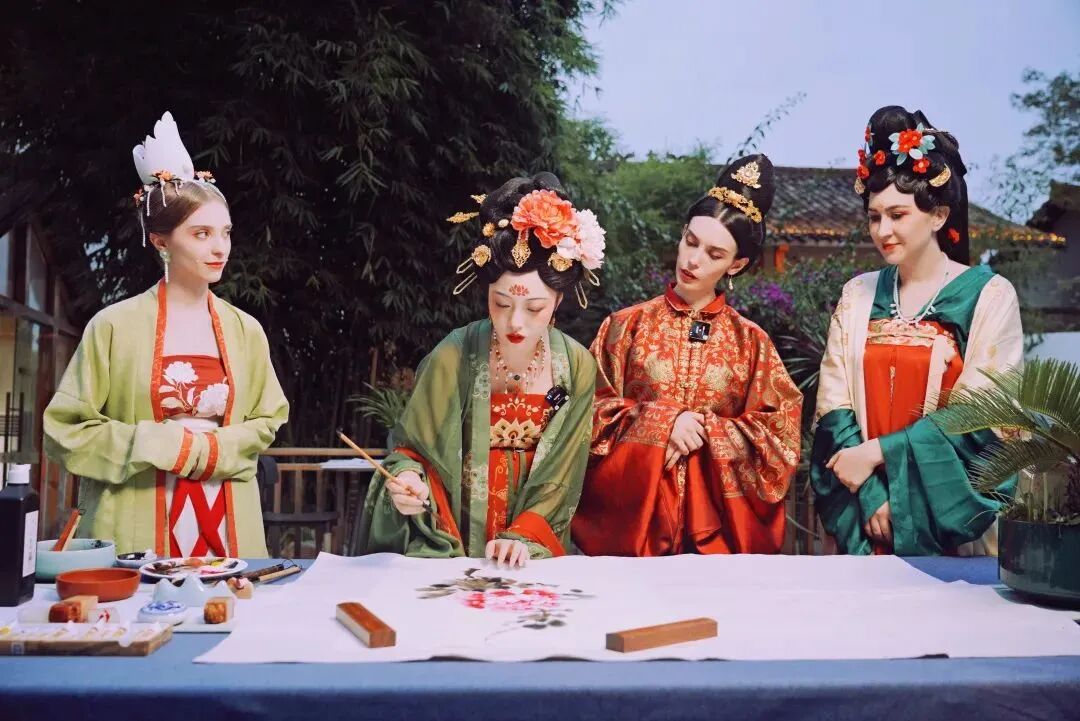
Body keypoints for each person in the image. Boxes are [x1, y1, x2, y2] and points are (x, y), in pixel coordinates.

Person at [44, 112, 289, 557]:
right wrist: (160, 443)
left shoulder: (245, 330)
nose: (220, 247)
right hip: (136, 510)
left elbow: (268, 419)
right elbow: (66, 431)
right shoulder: (113, 326)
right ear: (161, 241)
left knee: (228, 597)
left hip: (227, 511)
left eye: (225, 233)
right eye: (201, 234)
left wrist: (212, 450)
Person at [353, 173, 600, 567]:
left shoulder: (576, 365)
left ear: (558, 300)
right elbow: (412, 451)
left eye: (534, 308)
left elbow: (564, 473)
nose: (515, 322)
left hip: (532, 542)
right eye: (500, 303)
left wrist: (524, 535)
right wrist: (410, 481)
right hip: (456, 532)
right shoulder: (454, 354)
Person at [811, 105, 1022, 556]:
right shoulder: (857, 294)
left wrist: (879, 454)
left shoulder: (988, 295)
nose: (883, 230)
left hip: (944, 515)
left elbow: (981, 416)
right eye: (874, 217)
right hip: (862, 506)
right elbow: (833, 406)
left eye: (898, 214)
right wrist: (872, 495)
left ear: (939, 215)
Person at [572, 155, 803, 556]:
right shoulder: (625, 327)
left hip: (715, 538)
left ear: (737, 264)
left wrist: (706, 431)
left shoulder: (752, 343)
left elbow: (779, 439)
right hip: (635, 532)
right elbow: (586, 414)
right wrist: (662, 423)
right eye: (691, 242)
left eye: (714, 254)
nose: (693, 260)